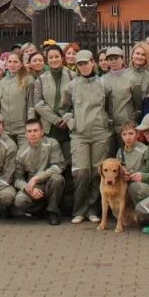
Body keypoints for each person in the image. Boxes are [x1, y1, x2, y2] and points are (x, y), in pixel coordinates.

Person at [58, 50, 110, 224]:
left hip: (99, 134)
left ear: (93, 62)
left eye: (86, 63)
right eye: (79, 64)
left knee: (97, 173)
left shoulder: (103, 84)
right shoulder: (71, 86)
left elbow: (109, 107)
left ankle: (93, 209)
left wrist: (105, 123)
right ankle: (79, 210)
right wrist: (72, 123)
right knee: (80, 173)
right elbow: (63, 109)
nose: (83, 66)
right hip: (79, 135)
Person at [13, 118, 65, 225]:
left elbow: (59, 166)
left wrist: (37, 178)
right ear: (26, 134)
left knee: (57, 179)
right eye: (29, 131)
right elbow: (17, 179)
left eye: (35, 130)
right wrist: (28, 189)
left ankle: (53, 212)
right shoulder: (21, 152)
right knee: (19, 201)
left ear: (42, 132)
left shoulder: (52, 144)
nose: (32, 134)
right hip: (33, 187)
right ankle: (39, 210)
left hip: (49, 183)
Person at [101, 46, 143, 158]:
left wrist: (133, 122)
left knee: (126, 157)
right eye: (110, 59)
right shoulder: (102, 80)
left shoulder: (133, 78)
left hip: (126, 126)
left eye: (116, 58)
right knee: (109, 158)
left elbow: (138, 104)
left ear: (122, 59)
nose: (113, 61)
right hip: (108, 127)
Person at [33, 47, 72, 164]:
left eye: (57, 56)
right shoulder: (41, 79)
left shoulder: (73, 76)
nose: (54, 59)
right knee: (49, 161)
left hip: (68, 126)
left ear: (62, 57)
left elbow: (77, 101)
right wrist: (57, 120)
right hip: (49, 127)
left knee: (68, 160)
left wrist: (67, 119)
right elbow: (38, 103)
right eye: (51, 57)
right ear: (47, 60)